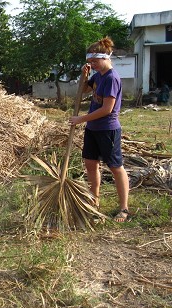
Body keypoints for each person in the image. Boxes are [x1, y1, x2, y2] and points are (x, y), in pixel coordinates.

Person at [69, 37, 129, 222]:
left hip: (107, 129)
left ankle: (124, 209)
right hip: (93, 128)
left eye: (95, 61)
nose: (92, 64)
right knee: (90, 164)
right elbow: (85, 90)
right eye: (90, 62)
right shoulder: (99, 76)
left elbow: (107, 109)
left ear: (105, 57)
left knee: (115, 167)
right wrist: (84, 75)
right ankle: (94, 202)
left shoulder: (111, 78)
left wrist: (81, 119)